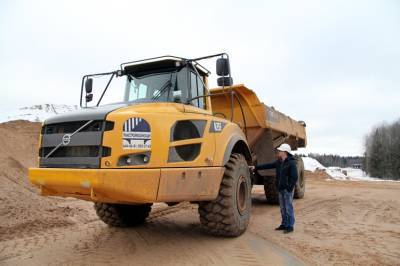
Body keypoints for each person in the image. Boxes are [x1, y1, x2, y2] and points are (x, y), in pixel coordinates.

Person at [249, 143, 298, 234]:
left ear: (285, 152)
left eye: (280, 151)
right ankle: (284, 224)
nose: (278, 152)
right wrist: (255, 167)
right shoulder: (279, 162)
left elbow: (294, 177)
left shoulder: (291, 163)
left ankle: (290, 226)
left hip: (287, 190)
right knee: (283, 208)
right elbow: (268, 165)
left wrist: (289, 188)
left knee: (288, 208)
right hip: (280, 189)